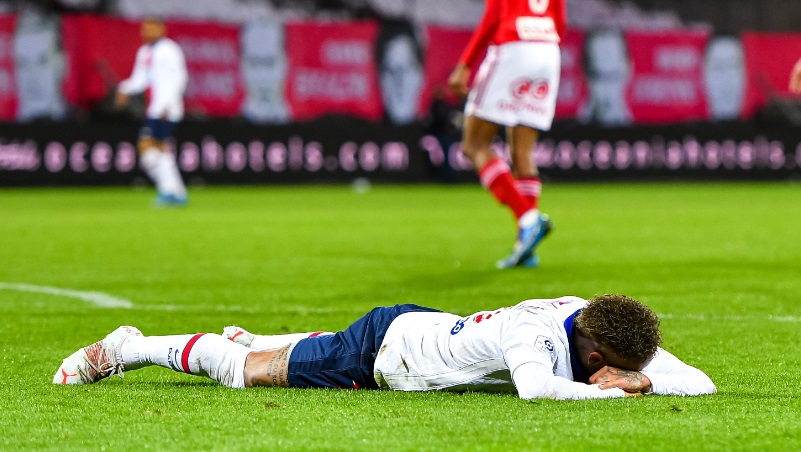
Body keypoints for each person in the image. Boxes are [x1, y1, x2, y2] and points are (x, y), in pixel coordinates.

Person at [54, 294, 716, 400]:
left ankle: (258, 338)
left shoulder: (599, 322)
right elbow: (536, 389)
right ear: (596, 358)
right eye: (618, 370)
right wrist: (613, 397)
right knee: (244, 373)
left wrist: (647, 381)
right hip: (387, 354)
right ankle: (129, 347)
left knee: (292, 350)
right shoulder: (534, 337)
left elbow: (702, 380)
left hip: (427, 326)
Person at [448, 0, 566, 269]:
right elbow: (560, 22)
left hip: (514, 46)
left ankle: (528, 219)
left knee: (474, 144)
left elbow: (493, 16)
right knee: (523, 151)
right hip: (548, 49)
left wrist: (465, 63)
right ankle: (525, 246)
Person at [116, 18, 189, 207]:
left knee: (146, 145)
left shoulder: (170, 50)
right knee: (161, 150)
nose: (147, 33)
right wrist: (125, 88)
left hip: (166, 108)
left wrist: (168, 105)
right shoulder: (145, 52)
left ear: (161, 30)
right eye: (145, 29)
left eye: (151, 29)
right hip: (155, 108)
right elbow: (140, 79)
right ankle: (176, 193)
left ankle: (168, 190)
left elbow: (180, 77)